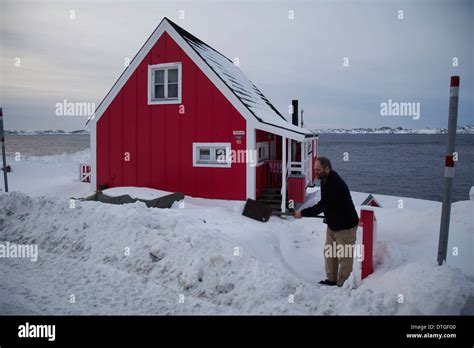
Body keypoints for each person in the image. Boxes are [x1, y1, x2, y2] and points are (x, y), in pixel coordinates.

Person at [294, 157, 359, 287]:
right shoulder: (324, 180)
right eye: (315, 170)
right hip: (333, 224)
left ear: (327, 168)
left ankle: (344, 284)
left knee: (344, 257)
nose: (316, 172)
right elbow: (327, 205)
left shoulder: (334, 183)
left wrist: (302, 213)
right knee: (330, 252)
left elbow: (323, 205)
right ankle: (332, 280)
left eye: (318, 170)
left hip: (346, 226)